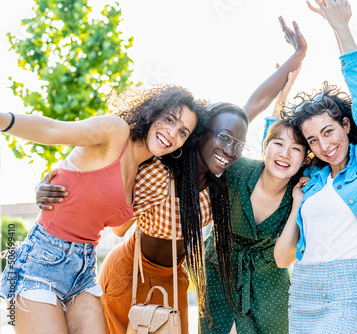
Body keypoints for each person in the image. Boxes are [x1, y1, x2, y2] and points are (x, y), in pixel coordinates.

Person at [36, 17, 306, 334]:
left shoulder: (224, 177)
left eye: (237, 144)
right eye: (221, 138)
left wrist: (299, 53)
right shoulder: (160, 171)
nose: (229, 149)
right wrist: (55, 187)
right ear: (202, 134)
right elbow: (111, 212)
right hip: (131, 272)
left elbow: (255, 101)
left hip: (175, 278)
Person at [0, 84, 200, 333]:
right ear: (152, 112)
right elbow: (52, 130)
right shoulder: (116, 132)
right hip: (42, 262)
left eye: (183, 132)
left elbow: (117, 228)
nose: (172, 133)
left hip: (84, 271)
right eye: (169, 119)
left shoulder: (145, 171)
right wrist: (3, 120)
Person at [274, 1, 357, 333]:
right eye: (312, 140)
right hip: (303, 290)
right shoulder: (311, 180)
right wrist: (285, 90)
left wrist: (341, 27)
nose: (324, 146)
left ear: (346, 127)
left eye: (329, 131)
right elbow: (275, 148)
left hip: (348, 293)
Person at [200, 19, 307, 333]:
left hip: (270, 283)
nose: (284, 154)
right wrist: (296, 58)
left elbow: (286, 257)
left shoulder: (303, 192)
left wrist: (299, 202)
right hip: (218, 267)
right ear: (264, 146)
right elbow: (254, 109)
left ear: (305, 158)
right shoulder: (237, 169)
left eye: (297, 149)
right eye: (277, 145)